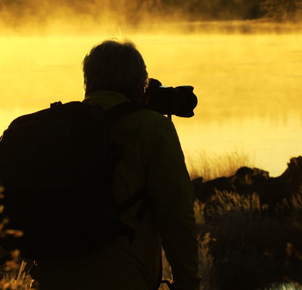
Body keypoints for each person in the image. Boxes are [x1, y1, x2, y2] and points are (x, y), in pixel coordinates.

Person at [30, 40, 200, 290]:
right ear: (139, 83)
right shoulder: (151, 128)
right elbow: (176, 215)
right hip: (124, 279)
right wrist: (187, 283)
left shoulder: (54, 127)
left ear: (88, 80)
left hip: (51, 282)